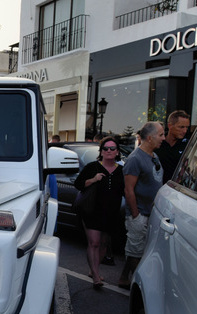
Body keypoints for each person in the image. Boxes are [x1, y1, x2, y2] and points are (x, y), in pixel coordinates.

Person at [74, 136, 125, 288]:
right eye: (105, 148)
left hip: (111, 213)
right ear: (101, 151)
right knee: (94, 243)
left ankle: (94, 268)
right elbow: (78, 184)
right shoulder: (92, 167)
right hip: (92, 211)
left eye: (112, 149)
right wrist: (93, 180)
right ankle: (95, 275)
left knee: (103, 244)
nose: (109, 151)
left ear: (117, 152)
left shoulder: (122, 170)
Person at [118, 121, 164, 288]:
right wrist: (136, 214)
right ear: (150, 138)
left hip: (150, 212)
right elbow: (129, 190)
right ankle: (139, 286)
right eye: (161, 135)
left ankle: (124, 277)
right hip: (139, 213)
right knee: (136, 250)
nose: (163, 138)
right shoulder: (135, 159)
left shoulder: (154, 155)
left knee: (137, 249)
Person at [155, 110, 190, 183]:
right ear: (170, 126)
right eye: (181, 127)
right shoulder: (157, 143)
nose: (185, 131)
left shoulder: (188, 145)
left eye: (187, 127)